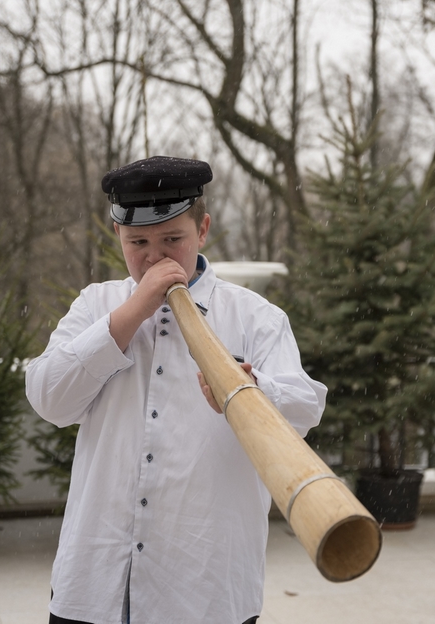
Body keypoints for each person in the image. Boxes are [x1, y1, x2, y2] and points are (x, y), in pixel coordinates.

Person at [25, 156, 327, 624]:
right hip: (95, 585)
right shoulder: (95, 305)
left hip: (204, 589)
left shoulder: (257, 317)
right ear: (118, 234)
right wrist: (132, 313)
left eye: (172, 239)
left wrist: (251, 391)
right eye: (138, 242)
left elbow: (305, 410)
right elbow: (49, 400)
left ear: (202, 229)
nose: (155, 257)